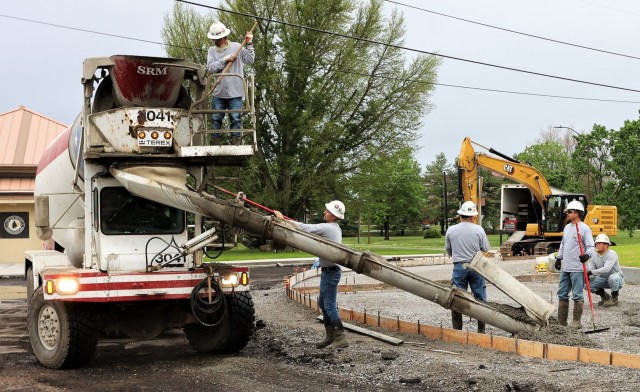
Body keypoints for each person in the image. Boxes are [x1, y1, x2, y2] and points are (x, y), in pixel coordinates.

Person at [274, 200, 348, 349]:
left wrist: (283, 220)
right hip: (328, 272)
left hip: (331, 272)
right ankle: (330, 335)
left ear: (334, 215)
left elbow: (306, 228)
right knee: (323, 303)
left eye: (327, 211)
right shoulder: (333, 228)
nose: (324, 212)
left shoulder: (329, 228)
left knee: (329, 305)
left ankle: (340, 337)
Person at [445, 201, 491, 333]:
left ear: (460, 216)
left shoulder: (451, 230)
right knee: (480, 299)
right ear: (472, 217)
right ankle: (481, 331)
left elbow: (449, 250)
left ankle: (457, 331)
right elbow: (486, 248)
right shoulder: (478, 229)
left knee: (456, 299)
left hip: (459, 267)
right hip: (476, 267)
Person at [206, 22, 255, 145]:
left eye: (216, 39)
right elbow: (211, 68)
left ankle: (236, 142)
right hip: (219, 92)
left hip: (236, 91)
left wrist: (249, 43)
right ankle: (215, 142)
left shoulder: (237, 47)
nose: (214, 41)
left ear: (223, 37)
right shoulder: (212, 51)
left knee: (235, 118)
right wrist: (224, 60)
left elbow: (250, 59)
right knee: (216, 118)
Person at [554, 200, 595, 329]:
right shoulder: (567, 228)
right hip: (566, 267)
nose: (567, 214)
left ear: (576, 213)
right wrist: (559, 258)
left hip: (578, 268)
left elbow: (591, 247)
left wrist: (587, 256)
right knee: (562, 293)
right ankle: (562, 322)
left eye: (569, 212)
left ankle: (576, 322)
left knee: (577, 294)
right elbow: (563, 244)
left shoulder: (584, 228)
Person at [588, 233, 624, 307]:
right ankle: (605, 297)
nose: (597, 245)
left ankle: (614, 298)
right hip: (603, 279)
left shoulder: (612, 254)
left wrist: (591, 272)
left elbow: (606, 269)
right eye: (596, 243)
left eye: (599, 243)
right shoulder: (594, 255)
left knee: (612, 278)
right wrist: (587, 275)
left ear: (606, 245)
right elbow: (592, 270)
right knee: (586, 284)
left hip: (617, 279)